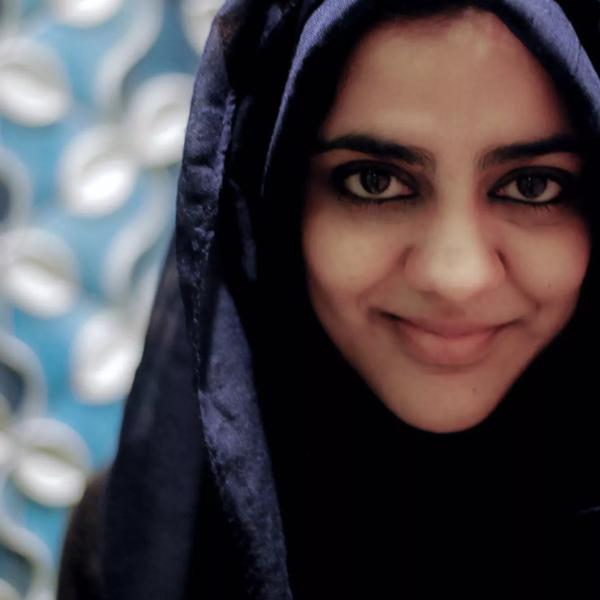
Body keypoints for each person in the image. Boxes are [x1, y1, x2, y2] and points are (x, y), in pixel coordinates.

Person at [58, 0, 600, 598]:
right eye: (376, 181)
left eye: (532, 185)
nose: (457, 275)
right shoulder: (149, 543)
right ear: (278, 203)